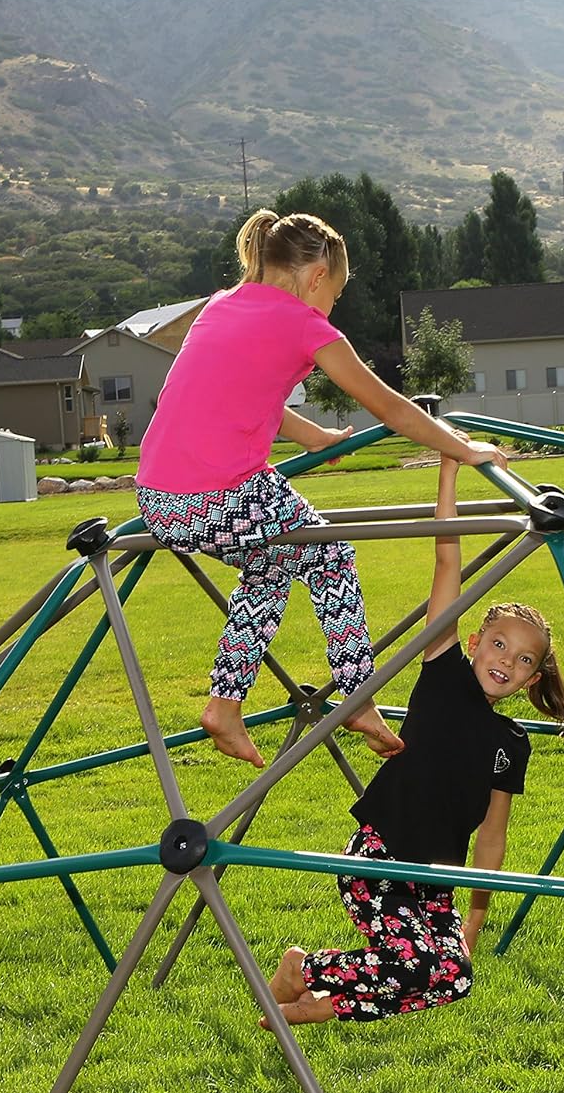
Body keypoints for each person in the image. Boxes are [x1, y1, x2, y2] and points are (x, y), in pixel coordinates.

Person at [135, 208, 510, 767]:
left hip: (159, 497)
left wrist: (312, 435)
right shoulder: (302, 322)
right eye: (335, 294)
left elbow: (240, 393)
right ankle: (359, 698)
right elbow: (387, 404)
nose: (332, 307)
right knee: (329, 552)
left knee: (274, 565)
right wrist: (461, 447)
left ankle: (225, 704)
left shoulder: (223, 305)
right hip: (212, 497)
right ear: (315, 279)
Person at [263, 454, 564, 1027]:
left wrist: (474, 918)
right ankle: (310, 981)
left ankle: (310, 977)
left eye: (523, 660)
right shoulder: (443, 676)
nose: (506, 662)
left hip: (440, 878)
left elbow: (492, 837)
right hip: (382, 855)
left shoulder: (512, 743)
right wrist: (448, 472)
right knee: (414, 962)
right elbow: (447, 562)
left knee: (455, 976)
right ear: (472, 640)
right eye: (498, 644)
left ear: (533, 678)